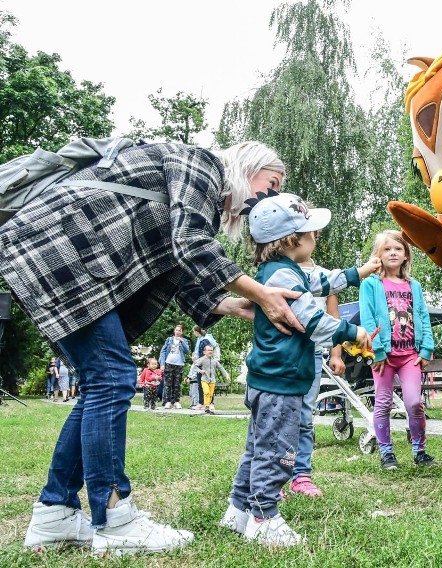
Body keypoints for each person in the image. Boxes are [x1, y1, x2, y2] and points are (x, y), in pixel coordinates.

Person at [7, 140, 306, 555]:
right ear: (247, 167)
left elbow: (183, 271)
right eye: (271, 184)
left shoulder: (196, 190)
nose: (268, 197)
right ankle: (115, 520)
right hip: (58, 249)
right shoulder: (202, 165)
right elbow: (190, 243)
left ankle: (54, 513)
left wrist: (238, 306)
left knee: (101, 383)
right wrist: (260, 293)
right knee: (111, 378)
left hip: (49, 251)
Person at [218, 192, 377, 547]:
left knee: (258, 448)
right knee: (277, 452)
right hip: (282, 382)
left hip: (269, 378)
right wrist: (355, 332)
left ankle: (238, 511)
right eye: (311, 232)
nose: (315, 237)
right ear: (291, 240)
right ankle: (264, 517)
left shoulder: (280, 272)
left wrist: (356, 273)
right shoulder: (284, 278)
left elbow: (321, 282)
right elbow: (312, 320)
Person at [359, 230, 435, 470]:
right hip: (383, 357)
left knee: (413, 402)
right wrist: (378, 351)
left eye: (398, 249)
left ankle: (419, 450)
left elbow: (423, 315)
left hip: (410, 356)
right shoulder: (371, 284)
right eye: (387, 249)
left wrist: (426, 349)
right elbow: (368, 318)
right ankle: (386, 452)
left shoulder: (415, 286)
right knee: (383, 403)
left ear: (406, 256)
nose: (392, 253)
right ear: (378, 255)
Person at [287, 237, 347, 498]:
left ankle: (301, 475)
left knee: (304, 415)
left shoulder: (325, 277)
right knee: (280, 414)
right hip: (284, 352)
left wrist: (337, 354)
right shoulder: (282, 271)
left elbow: (334, 317)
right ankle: (275, 475)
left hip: (312, 353)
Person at [158, 324, 190, 409]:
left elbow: (187, 350)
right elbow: (163, 351)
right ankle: (168, 401)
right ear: (174, 331)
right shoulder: (169, 340)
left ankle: (176, 401)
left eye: (179, 330)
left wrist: (182, 342)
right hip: (169, 363)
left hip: (179, 364)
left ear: (182, 332)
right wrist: (162, 364)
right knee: (168, 384)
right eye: (176, 330)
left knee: (177, 384)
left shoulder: (184, 341)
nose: (178, 332)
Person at [196, 344, 230, 413]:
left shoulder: (215, 360)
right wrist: (200, 370)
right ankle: (206, 406)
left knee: (211, 394)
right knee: (206, 392)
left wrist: (226, 375)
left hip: (212, 380)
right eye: (208, 350)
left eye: (211, 350)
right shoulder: (202, 360)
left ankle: (208, 405)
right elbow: (195, 367)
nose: (210, 351)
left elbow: (221, 368)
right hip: (204, 379)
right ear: (204, 352)